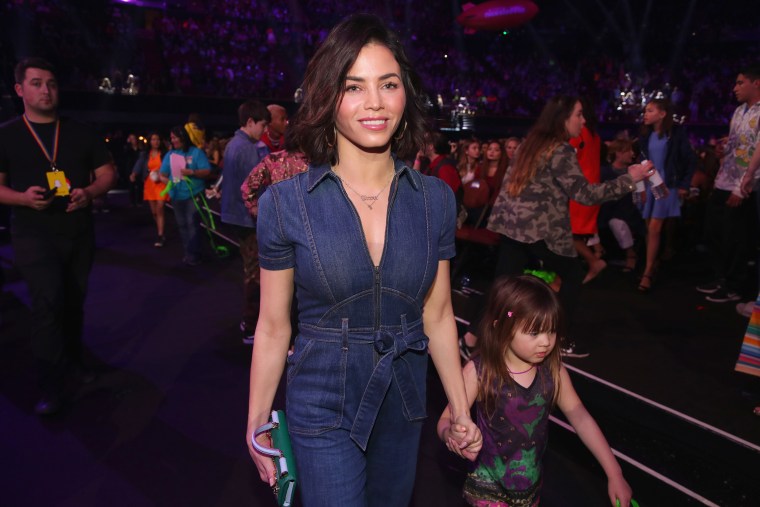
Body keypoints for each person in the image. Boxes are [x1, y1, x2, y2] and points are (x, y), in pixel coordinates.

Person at [246, 14, 481, 507]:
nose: (374, 102)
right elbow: (272, 325)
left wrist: (460, 409)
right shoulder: (285, 204)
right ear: (329, 98)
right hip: (321, 393)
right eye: (354, 87)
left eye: (388, 84)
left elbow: (437, 314)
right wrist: (257, 421)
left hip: (406, 393)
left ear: (405, 94)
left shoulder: (435, 200)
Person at [437, 275, 632, 506]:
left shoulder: (553, 371)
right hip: (487, 489)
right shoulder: (480, 373)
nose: (545, 342)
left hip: (529, 489)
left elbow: (580, 416)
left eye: (551, 331)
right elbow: (445, 419)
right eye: (534, 333)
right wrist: (451, 434)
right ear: (503, 328)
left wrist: (614, 472)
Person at [487, 95, 653, 358]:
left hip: (511, 225)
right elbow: (585, 194)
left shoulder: (529, 145)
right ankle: (557, 338)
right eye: (578, 114)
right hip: (540, 230)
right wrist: (629, 179)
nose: (583, 120)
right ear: (563, 118)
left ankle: (478, 336)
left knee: (504, 283)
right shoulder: (560, 150)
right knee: (572, 275)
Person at [0, 57, 117, 415]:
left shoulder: (80, 131)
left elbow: (108, 172)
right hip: (34, 234)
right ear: (20, 90)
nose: (46, 90)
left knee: (73, 301)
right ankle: (50, 383)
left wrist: (89, 192)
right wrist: (23, 198)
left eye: (50, 83)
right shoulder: (7, 134)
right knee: (48, 302)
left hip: (78, 232)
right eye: (36, 83)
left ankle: (74, 364)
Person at [699, 65, 760, 304]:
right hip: (725, 178)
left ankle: (733, 285)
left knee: (735, 238)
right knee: (713, 233)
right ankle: (721, 277)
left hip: (743, 184)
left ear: (756, 83)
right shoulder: (738, 111)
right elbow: (738, 145)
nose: (735, 88)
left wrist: (742, 187)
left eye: (740, 83)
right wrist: (724, 148)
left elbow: (757, 154)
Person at [220, 99, 270, 344]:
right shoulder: (247, 148)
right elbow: (257, 187)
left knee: (249, 268)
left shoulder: (233, 144)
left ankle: (248, 322)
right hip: (246, 217)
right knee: (254, 273)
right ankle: (250, 326)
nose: (264, 131)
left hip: (235, 215)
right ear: (250, 122)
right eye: (262, 125)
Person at [636, 98, 696, 293]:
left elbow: (689, 159)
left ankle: (647, 272)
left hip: (666, 184)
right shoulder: (645, 134)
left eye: (650, 110)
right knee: (649, 227)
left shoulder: (676, 133)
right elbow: (643, 159)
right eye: (645, 110)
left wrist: (684, 185)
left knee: (654, 228)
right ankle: (652, 263)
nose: (645, 113)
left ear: (662, 114)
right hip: (649, 182)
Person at [159, 125, 211, 266]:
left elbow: (207, 171)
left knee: (192, 224)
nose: (173, 140)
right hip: (176, 196)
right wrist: (168, 181)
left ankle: (195, 254)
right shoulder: (170, 155)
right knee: (182, 225)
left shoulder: (196, 152)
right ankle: (189, 252)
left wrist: (192, 172)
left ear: (183, 137)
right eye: (171, 138)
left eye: (175, 137)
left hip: (193, 194)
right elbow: (162, 174)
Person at [569, 97, 607, 284]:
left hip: (580, 191)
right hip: (592, 190)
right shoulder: (595, 136)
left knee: (566, 233)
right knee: (574, 234)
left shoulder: (578, 134)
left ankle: (593, 262)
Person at [599, 139, 645, 272]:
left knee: (617, 222)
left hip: (628, 211)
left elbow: (638, 196)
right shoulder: (605, 172)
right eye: (628, 151)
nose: (632, 154)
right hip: (606, 210)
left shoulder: (634, 172)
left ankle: (631, 254)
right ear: (618, 153)